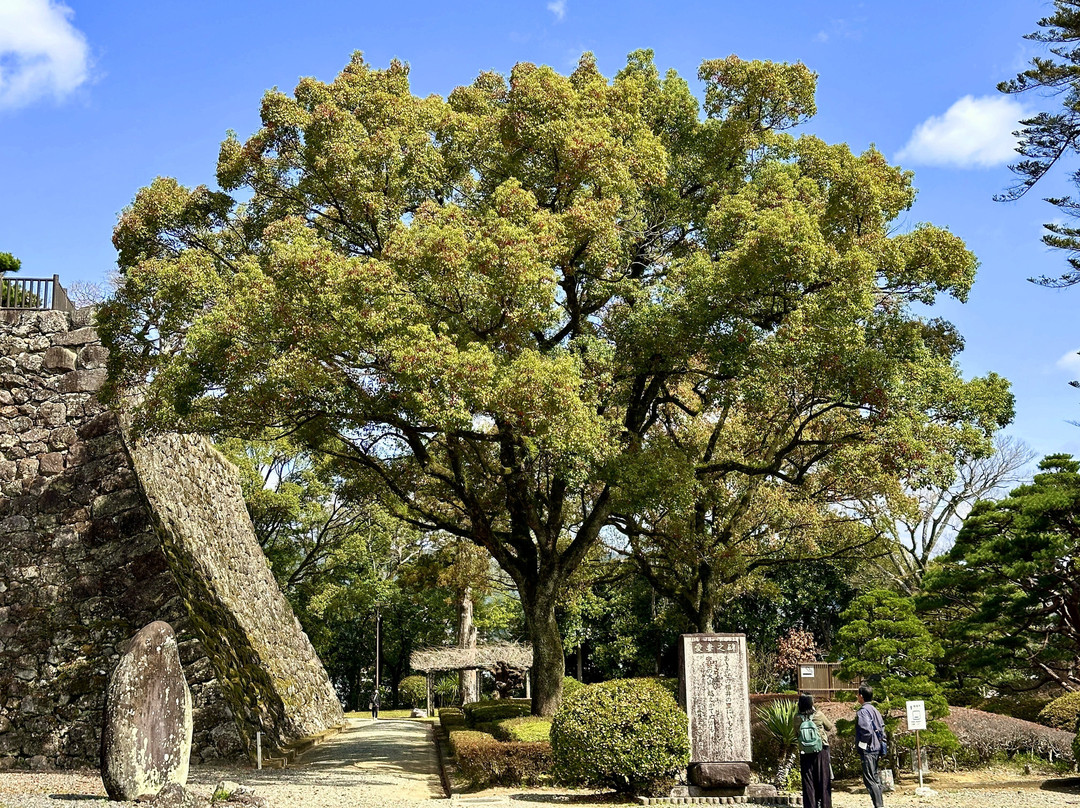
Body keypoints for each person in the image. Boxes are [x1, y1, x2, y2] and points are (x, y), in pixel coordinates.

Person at [793, 692, 835, 808]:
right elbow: (829, 727)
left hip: (805, 752)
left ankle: (810, 805)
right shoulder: (819, 715)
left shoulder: (797, 718)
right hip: (821, 750)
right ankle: (825, 805)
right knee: (823, 779)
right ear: (811, 703)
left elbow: (796, 734)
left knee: (808, 781)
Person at [855, 684, 886, 808]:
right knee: (875, 777)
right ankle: (880, 804)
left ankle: (878, 805)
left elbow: (866, 731)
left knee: (869, 779)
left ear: (861, 696)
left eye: (858, 694)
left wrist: (861, 745)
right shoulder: (875, 710)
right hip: (877, 746)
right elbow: (882, 728)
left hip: (869, 749)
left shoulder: (863, 712)